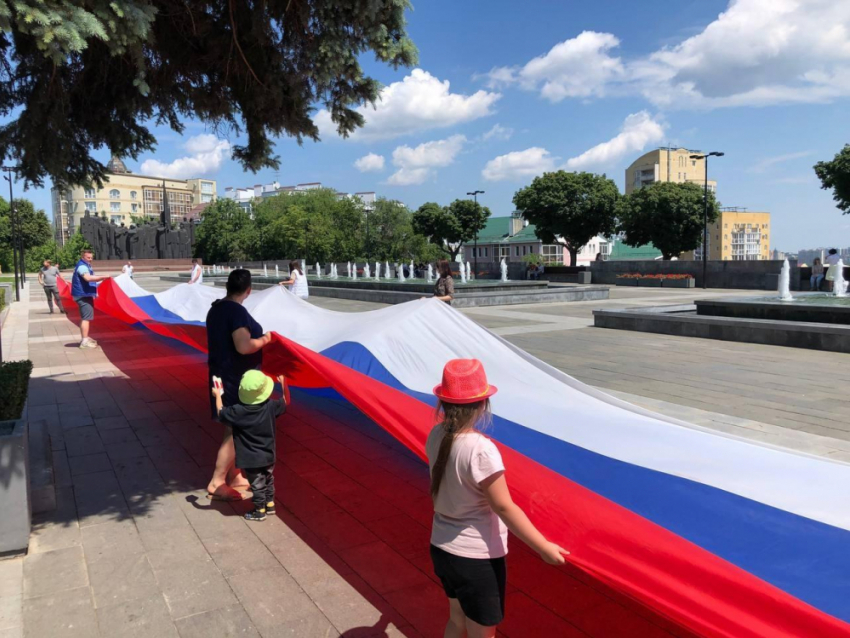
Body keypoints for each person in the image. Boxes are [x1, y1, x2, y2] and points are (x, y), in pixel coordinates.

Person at [427, 359, 569, 637]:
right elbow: (503, 506)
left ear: (443, 403)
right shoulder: (480, 450)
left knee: (457, 620)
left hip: (442, 547)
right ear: (483, 405)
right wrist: (543, 546)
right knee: (483, 633)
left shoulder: (436, 434)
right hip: (475, 558)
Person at [206, 269, 272, 500]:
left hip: (222, 376)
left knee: (231, 427)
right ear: (248, 290)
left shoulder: (217, 308)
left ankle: (235, 475)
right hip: (235, 379)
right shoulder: (236, 311)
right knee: (237, 428)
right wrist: (266, 339)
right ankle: (217, 481)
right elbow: (244, 346)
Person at [213, 370, 287, 521]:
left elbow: (221, 412)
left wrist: (218, 395)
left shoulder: (238, 411)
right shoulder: (270, 406)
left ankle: (259, 511)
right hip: (269, 453)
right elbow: (286, 401)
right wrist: (285, 384)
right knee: (268, 478)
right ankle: (270, 504)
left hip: (250, 457)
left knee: (257, 484)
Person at [71, 249, 109, 348]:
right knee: (86, 318)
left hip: (84, 294)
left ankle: (85, 338)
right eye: (88, 257)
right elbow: (88, 278)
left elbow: (90, 280)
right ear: (82, 257)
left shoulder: (85, 265)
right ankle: (84, 341)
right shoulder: (82, 266)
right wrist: (103, 277)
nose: (90, 259)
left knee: (85, 317)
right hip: (83, 295)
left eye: (91, 257)